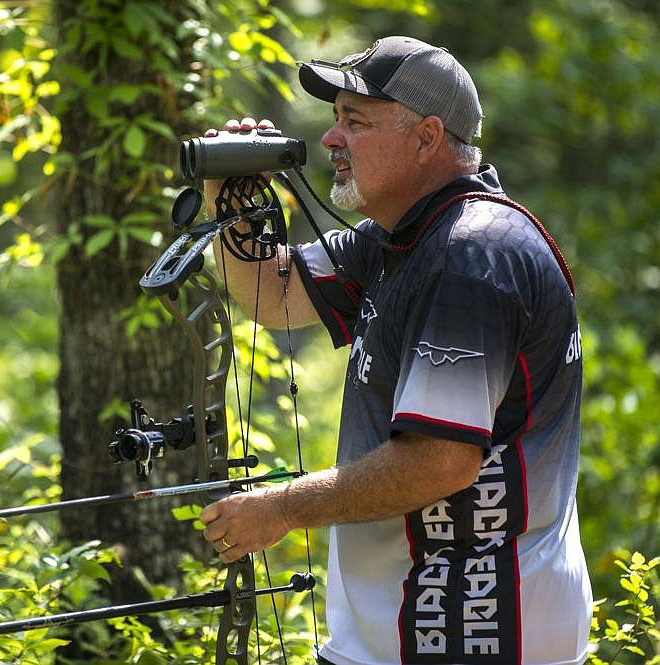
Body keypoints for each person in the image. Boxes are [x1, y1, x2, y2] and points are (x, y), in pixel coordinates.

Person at [197, 36, 592, 665]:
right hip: (400, 632)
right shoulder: (400, 238)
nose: (330, 141)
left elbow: (440, 460)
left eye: (354, 122)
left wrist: (282, 508)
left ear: (427, 137)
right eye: (334, 121)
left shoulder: (472, 255)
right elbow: (274, 299)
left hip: (477, 629)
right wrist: (229, 200)